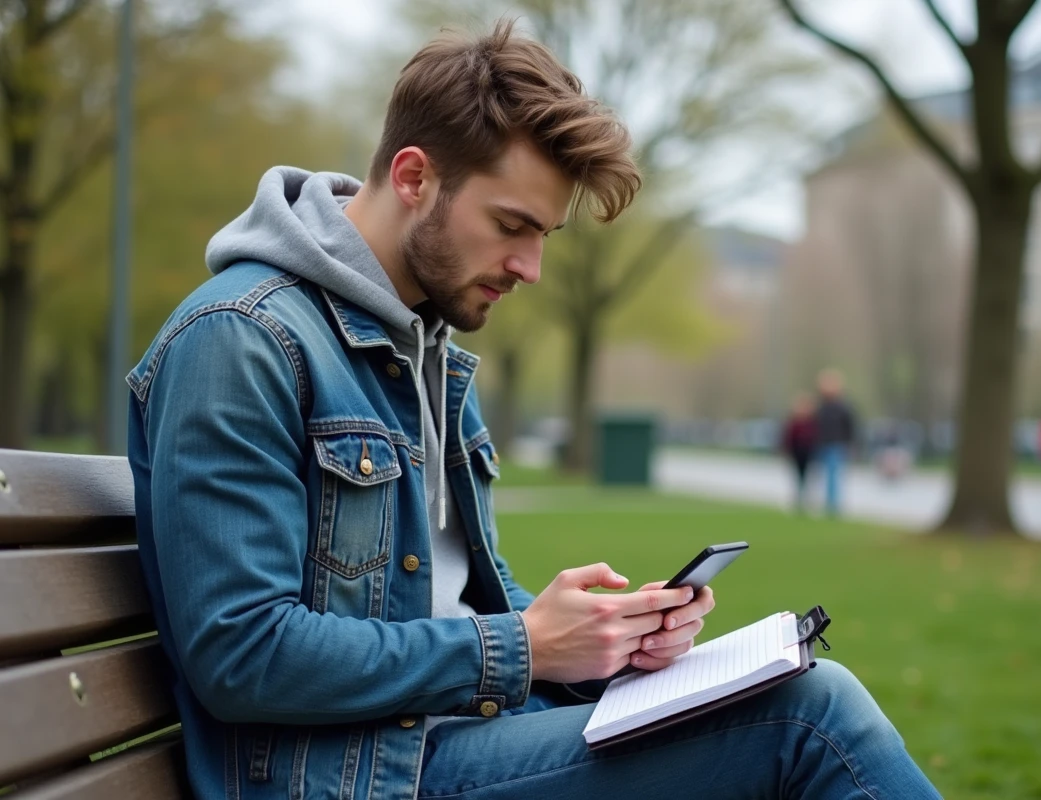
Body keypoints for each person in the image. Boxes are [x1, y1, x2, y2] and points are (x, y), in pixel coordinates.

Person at [125, 21, 939, 799]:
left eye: (544, 233)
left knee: (789, 693)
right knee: (810, 718)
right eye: (511, 225)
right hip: (354, 776)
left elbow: (454, 597)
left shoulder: (425, 345)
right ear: (413, 178)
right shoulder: (241, 340)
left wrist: (602, 643)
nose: (531, 267)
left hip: (453, 740)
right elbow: (243, 654)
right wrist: (526, 646)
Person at [815, 368, 857, 515]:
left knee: (833, 475)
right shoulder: (821, 407)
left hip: (837, 444)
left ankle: (832, 505)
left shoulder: (843, 407)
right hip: (822, 444)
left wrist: (849, 444)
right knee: (823, 475)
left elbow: (850, 427)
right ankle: (827, 502)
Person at [780, 392, 817, 510]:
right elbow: (788, 438)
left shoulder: (811, 422)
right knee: (798, 476)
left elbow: (815, 437)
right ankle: (798, 499)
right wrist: (787, 451)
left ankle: (806, 500)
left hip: (808, 452)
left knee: (807, 477)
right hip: (797, 452)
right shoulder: (794, 422)